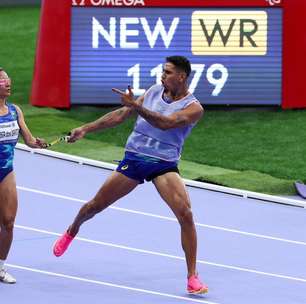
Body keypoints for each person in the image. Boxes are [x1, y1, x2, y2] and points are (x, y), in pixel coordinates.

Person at [53, 56, 208, 294]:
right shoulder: (155, 91)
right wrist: (85, 128)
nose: (162, 75)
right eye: (162, 71)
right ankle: (72, 230)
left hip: (163, 164)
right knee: (94, 206)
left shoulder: (194, 108)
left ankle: (192, 277)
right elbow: (120, 115)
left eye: (167, 72)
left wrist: (135, 105)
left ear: (182, 77)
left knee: (186, 214)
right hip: (135, 158)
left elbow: (166, 124)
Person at [0, 68, 46, 284]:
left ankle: (0, 267)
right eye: (1, 79)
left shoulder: (15, 111)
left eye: (8, 78)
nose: (7, 82)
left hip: (6, 172)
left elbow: (28, 139)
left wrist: (38, 143)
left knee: (8, 222)